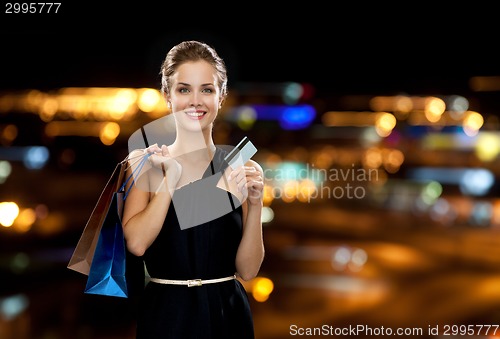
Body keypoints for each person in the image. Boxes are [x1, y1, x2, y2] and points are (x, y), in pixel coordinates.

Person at [121, 40, 265, 339]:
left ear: (221, 96)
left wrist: (256, 202)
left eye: (207, 89)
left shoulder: (240, 166)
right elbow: (136, 244)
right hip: (167, 315)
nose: (195, 100)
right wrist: (170, 177)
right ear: (168, 96)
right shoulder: (147, 164)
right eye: (184, 89)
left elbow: (248, 271)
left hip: (229, 315)